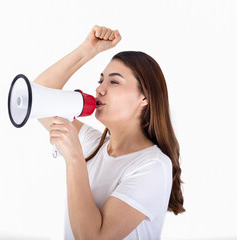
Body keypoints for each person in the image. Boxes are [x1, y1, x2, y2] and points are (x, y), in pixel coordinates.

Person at [33, 25, 185, 240]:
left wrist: (75, 158)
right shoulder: (92, 144)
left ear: (145, 97)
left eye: (114, 81)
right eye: (100, 80)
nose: (99, 89)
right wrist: (88, 49)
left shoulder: (153, 165)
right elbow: (39, 97)